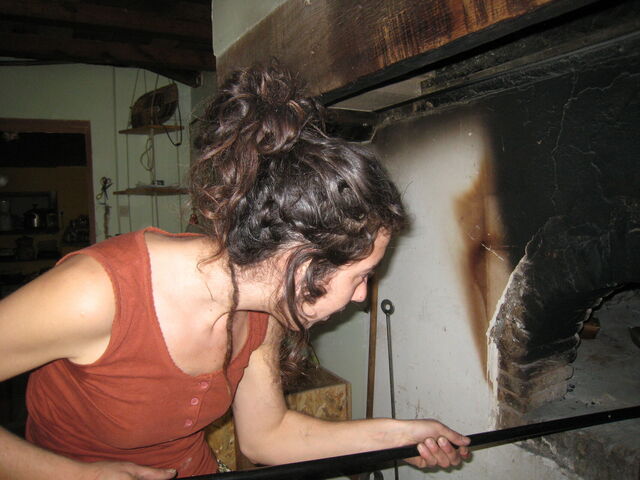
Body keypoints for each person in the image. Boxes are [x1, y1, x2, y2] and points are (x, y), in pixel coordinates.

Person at [0, 63, 470, 479]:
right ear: (301, 263)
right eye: (362, 274)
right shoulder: (97, 294)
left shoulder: (263, 305)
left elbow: (268, 436)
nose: (362, 295)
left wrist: (398, 436)